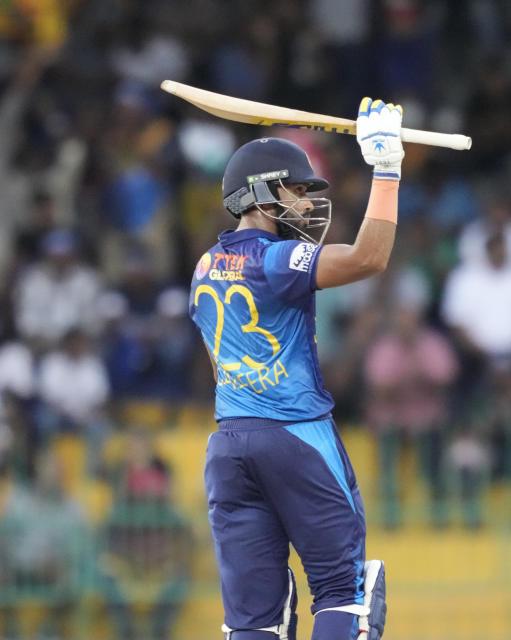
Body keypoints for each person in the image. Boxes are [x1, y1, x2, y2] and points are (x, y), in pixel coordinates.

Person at [188, 98, 404, 640]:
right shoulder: (274, 259)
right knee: (343, 594)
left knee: (254, 621)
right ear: (261, 193)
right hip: (297, 438)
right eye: (298, 190)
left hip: (230, 447)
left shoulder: (204, 266)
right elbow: (368, 258)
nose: (308, 204)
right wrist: (386, 168)